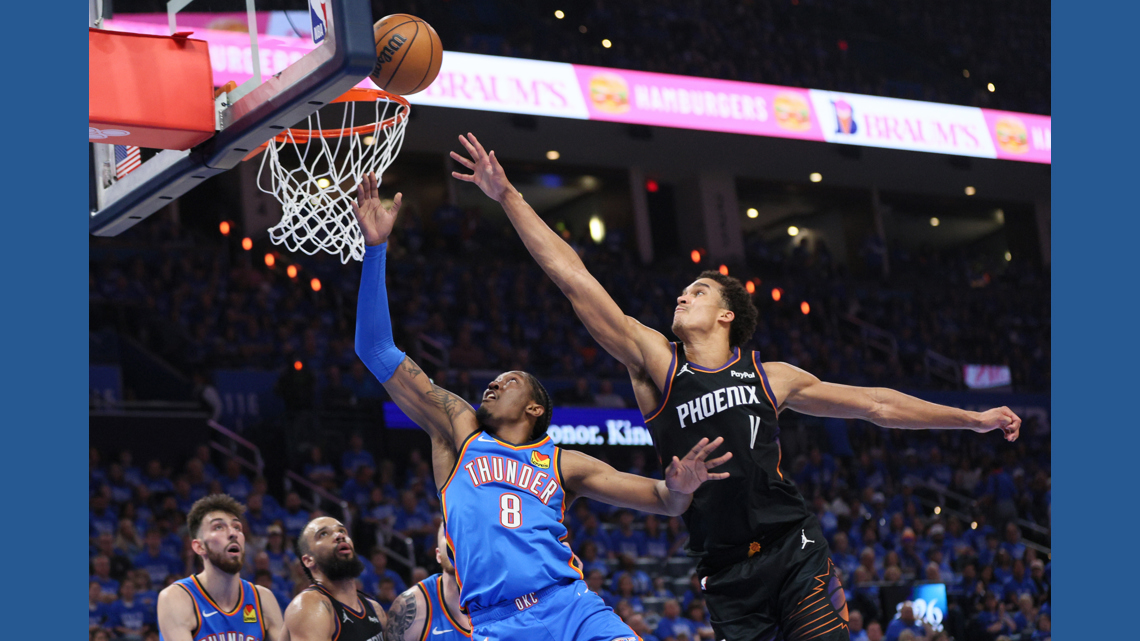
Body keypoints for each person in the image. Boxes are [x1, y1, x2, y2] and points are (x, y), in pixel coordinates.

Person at [449, 132, 1023, 641]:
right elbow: (574, 279)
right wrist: (509, 197)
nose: (682, 295)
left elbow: (877, 405)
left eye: (698, 292)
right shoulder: (658, 364)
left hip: (792, 549)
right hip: (725, 571)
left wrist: (970, 419)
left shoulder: (771, 377)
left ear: (727, 316)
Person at [351, 171, 733, 641]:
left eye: (507, 381)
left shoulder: (562, 462)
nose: (492, 384)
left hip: (569, 605)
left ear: (535, 408)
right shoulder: (458, 429)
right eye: (492, 381)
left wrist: (681, 485)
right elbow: (376, 349)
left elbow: (664, 501)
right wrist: (375, 250)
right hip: (496, 622)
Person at [157, 494, 284, 641]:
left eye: (237, 527)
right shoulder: (177, 598)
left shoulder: (263, 598)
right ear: (199, 547)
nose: (233, 533)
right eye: (218, 527)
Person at [281, 516, 386, 641]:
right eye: (323, 534)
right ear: (309, 560)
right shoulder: (309, 607)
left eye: (342, 531)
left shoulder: (375, 609)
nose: (339, 536)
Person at [385, 524, 471, 641]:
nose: (455, 541)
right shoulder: (410, 606)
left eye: (461, 534)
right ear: (438, 554)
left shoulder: (501, 596)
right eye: (449, 535)